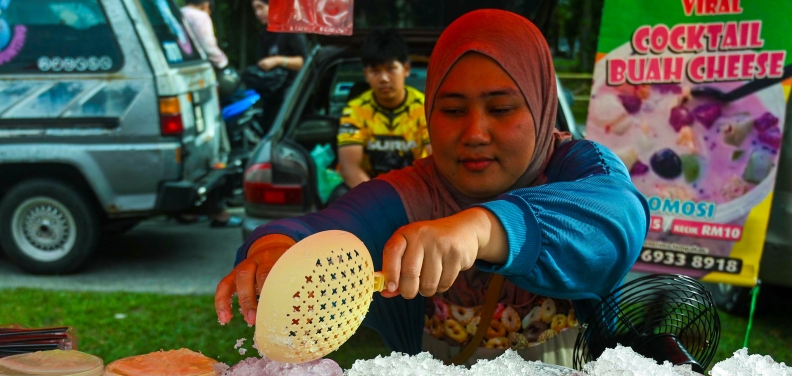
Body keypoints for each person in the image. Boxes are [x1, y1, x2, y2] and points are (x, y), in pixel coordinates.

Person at [215, 9, 649, 357]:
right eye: (454, 110)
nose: (475, 132)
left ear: (540, 105)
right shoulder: (410, 195)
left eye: (501, 109)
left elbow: (616, 221)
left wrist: (479, 229)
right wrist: (273, 248)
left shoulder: (578, 167)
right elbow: (330, 226)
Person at [338, 30, 430, 189]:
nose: (384, 78)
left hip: (416, 190)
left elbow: (437, 163)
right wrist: (379, 203)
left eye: (391, 69)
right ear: (365, 75)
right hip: (367, 191)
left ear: (406, 69)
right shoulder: (354, 110)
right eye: (375, 71)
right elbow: (350, 169)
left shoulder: (425, 108)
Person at [250, 0, 308, 129]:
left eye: (261, 7)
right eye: (255, 9)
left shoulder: (290, 29)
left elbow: (303, 62)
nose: (258, 13)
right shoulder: (264, 34)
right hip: (271, 94)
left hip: (290, 93)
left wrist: (278, 60)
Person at [181, 0, 228, 70]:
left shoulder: (177, 13)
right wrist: (222, 62)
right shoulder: (200, 16)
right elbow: (208, 47)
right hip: (196, 64)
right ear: (206, 5)